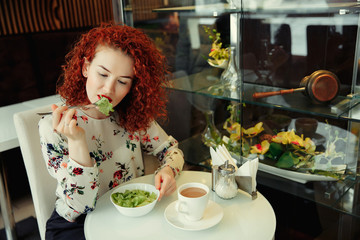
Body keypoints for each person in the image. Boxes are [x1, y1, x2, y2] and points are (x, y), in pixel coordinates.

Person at [38, 22, 184, 239]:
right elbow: (81, 204)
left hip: (128, 216)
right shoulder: (54, 128)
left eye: (122, 81)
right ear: (86, 67)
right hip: (76, 224)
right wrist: (77, 141)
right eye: (103, 74)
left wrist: (168, 171)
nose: (108, 89)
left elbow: (172, 151)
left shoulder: (134, 118)